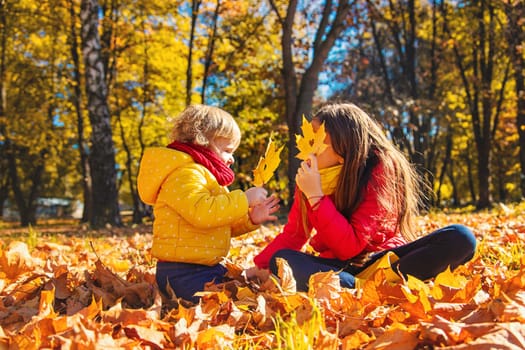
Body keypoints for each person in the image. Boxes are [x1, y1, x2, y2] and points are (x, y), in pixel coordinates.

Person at [248, 102, 477, 291]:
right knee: (281, 260)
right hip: (337, 267)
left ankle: (365, 286)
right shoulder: (308, 180)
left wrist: (317, 197)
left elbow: (352, 246)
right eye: (307, 141)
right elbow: (295, 235)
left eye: (317, 143)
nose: (308, 152)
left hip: (384, 261)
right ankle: (361, 288)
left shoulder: (378, 166)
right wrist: (259, 265)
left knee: (460, 237)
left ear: (343, 149)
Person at [138, 104, 280, 303]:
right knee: (225, 304)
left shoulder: (207, 177)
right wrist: (244, 198)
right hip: (182, 272)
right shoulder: (185, 173)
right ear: (202, 141)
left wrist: (250, 218)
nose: (231, 158)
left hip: (206, 266)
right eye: (227, 150)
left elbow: (219, 221)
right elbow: (202, 212)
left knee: (242, 292)